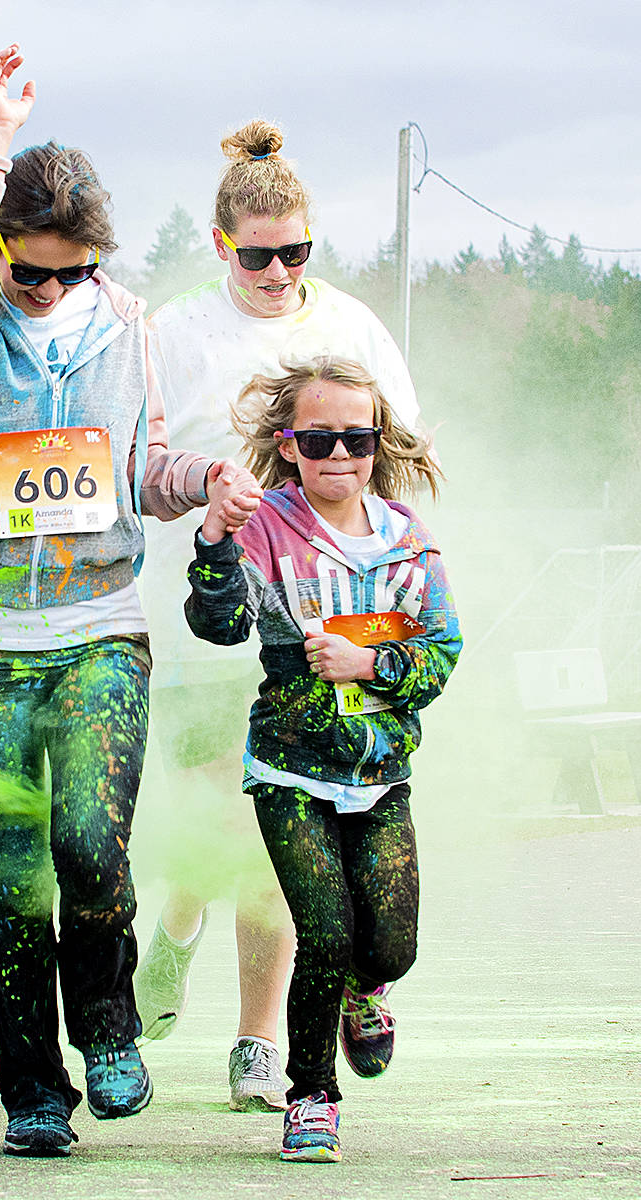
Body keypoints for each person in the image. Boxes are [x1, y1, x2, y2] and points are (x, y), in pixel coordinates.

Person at [0, 46, 261, 1158]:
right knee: (14, 879)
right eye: (32, 270)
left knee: (92, 845)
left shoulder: (126, 326)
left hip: (99, 630)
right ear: (0, 249)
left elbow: (136, 468)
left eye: (73, 272)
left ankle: (107, 1027)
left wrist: (205, 484)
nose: (50, 292)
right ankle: (32, 1090)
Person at [135, 118, 423, 1111]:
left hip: (321, 626)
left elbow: (400, 469)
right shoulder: (173, 333)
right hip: (200, 619)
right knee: (217, 820)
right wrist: (207, 498)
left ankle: (259, 1039)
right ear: (222, 247)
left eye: (296, 252)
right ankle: (173, 929)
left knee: (280, 829)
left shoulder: (350, 332)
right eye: (258, 255)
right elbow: (138, 467)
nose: (278, 271)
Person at [183, 355, 456, 1162]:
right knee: (324, 933)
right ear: (288, 442)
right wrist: (213, 539)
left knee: (391, 946)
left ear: (379, 442)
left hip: (381, 775)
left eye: (356, 438)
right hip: (291, 773)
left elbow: (442, 653)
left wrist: (369, 665)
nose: (339, 455)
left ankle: (367, 995)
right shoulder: (266, 523)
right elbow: (221, 624)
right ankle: (311, 1099)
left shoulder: (410, 541)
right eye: (319, 439)